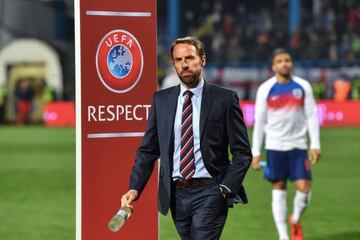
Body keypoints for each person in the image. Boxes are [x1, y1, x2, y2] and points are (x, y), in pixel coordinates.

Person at [121, 36, 252, 239]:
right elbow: (148, 150)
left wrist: (225, 189)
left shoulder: (225, 99)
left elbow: (242, 152)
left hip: (211, 190)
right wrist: (134, 188)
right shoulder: (161, 100)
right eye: (179, 60)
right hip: (176, 195)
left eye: (189, 58)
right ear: (173, 64)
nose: (184, 65)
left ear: (202, 60)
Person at [251, 48, 321, 240]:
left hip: (298, 145)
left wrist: (315, 144)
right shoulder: (265, 89)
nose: (284, 64)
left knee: (304, 189)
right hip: (274, 146)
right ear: (274, 66)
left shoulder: (303, 86)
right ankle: (284, 236)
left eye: (287, 60)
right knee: (279, 187)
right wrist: (256, 151)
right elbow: (260, 121)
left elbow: (311, 116)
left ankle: (295, 218)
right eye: (280, 61)